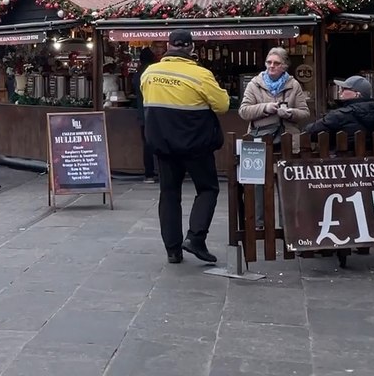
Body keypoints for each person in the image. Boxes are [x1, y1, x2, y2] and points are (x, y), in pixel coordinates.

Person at [140, 30, 230, 265]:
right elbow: (222, 105)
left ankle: (172, 250)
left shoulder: (149, 73)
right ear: (191, 48)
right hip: (195, 146)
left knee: (169, 195)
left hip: (163, 146)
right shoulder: (200, 74)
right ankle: (195, 238)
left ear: (167, 46)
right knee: (208, 189)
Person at [238, 47, 311, 229]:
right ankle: (259, 225)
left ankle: (288, 226)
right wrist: (266, 108)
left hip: (287, 140)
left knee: (287, 185)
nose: (272, 66)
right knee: (257, 185)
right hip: (259, 141)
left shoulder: (293, 85)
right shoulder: (254, 84)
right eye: (269, 62)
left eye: (276, 63)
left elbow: (305, 113)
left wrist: (290, 113)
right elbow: (244, 111)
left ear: (284, 66)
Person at [302, 76, 374, 153]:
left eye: (344, 89)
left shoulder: (340, 115)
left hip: (340, 164)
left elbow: (309, 132)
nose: (340, 92)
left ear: (357, 94)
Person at [133, 47, 159, 184]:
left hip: (143, 113)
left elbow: (134, 91)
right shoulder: (156, 72)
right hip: (158, 113)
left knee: (147, 145)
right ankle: (165, 172)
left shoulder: (137, 75)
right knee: (162, 143)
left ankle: (149, 174)